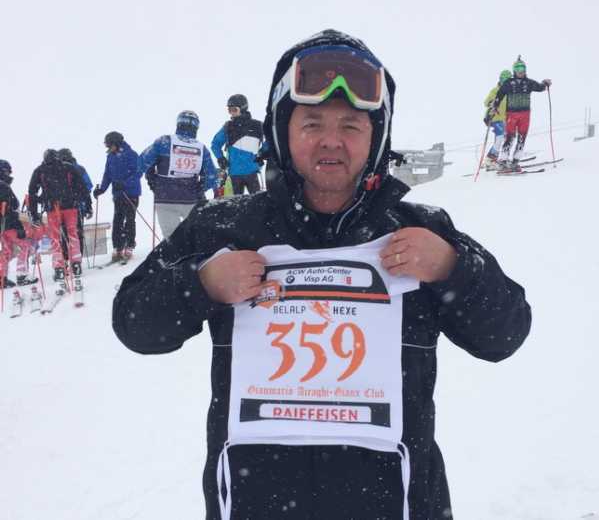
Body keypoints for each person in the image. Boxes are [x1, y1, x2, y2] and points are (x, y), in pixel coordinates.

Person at [113, 29, 532, 520]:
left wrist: (452, 268)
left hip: (396, 502)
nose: (331, 140)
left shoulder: (421, 230)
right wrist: (199, 283)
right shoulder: (221, 227)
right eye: (312, 123)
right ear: (282, 130)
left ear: (376, 136)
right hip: (254, 503)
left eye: (351, 125)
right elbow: (134, 324)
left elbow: (505, 333)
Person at [140, 111, 217, 237]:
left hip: (165, 199)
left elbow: (143, 163)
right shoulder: (201, 148)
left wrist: (153, 182)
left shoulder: (164, 142)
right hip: (190, 200)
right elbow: (211, 176)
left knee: (172, 239)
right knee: (194, 237)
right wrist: (199, 189)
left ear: (178, 124)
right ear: (196, 127)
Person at [28, 149, 92, 282]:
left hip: (52, 208)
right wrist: (87, 204)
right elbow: (82, 187)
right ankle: (76, 264)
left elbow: (32, 192)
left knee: (55, 238)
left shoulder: (40, 170)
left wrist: (34, 213)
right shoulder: (68, 167)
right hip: (70, 207)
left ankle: (59, 268)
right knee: (73, 234)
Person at [487, 57, 551, 169]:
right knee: (510, 137)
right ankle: (503, 160)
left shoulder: (529, 83)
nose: (520, 71)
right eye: (518, 68)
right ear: (514, 70)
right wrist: (494, 106)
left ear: (525, 70)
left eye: (522, 68)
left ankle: (515, 160)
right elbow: (500, 95)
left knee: (522, 137)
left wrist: (545, 83)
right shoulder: (508, 83)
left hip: (525, 115)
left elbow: (540, 87)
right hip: (511, 114)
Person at [93, 132, 141, 263]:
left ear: (117, 143)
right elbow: (107, 174)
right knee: (118, 220)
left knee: (129, 219)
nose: (109, 148)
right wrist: (102, 189)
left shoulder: (131, 154)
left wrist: (125, 183)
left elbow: (137, 173)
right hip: (118, 194)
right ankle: (118, 247)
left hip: (131, 193)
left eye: (110, 145)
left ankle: (129, 245)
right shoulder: (111, 156)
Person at [211, 94, 265, 197]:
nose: (232, 113)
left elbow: (269, 141)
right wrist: (220, 158)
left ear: (243, 109)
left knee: (257, 202)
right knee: (234, 203)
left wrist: (262, 153)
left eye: (234, 110)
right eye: (229, 110)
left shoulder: (257, 126)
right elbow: (215, 144)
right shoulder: (228, 127)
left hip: (252, 172)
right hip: (234, 174)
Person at [0, 159, 30, 288]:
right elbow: (14, 205)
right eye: (7, 172)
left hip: (1, 227)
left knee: (6, 251)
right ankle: (21, 275)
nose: (9, 174)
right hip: (10, 224)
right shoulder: (4, 186)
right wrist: (19, 227)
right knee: (25, 245)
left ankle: (2, 277)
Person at [58, 148, 93, 255]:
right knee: (76, 232)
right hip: (77, 205)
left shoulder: (60, 170)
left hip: (66, 206)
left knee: (65, 233)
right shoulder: (79, 169)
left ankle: (67, 256)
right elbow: (88, 186)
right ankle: (77, 256)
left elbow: (87, 186)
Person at [483, 69, 512, 170]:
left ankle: (495, 159)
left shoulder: (510, 93)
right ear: (500, 80)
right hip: (494, 118)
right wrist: (492, 102)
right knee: (500, 137)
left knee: (503, 139)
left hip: (503, 119)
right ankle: (490, 160)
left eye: (508, 80)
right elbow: (486, 102)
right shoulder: (495, 90)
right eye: (504, 80)